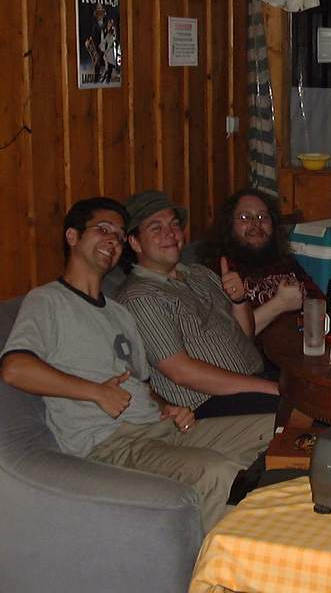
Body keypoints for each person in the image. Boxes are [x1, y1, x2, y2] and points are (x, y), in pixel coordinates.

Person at [0, 197, 274, 532]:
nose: (112, 240)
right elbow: (14, 368)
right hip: (111, 443)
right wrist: (95, 392)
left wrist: (167, 407)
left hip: (163, 429)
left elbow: (142, 383)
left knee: (280, 429)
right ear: (72, 236)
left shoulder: (118, 312)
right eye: (103, 230)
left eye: (117, 234)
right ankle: (226, 562)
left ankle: (289, 532)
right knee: (220, 473)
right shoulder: (47, 300)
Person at [116, 190, 281, 420]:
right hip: (208, 403)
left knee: (318, 393)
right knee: (302, 409)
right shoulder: (139, 296)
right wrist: (270, 388)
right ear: (135, 242)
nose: (170, 233)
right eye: (156, 228)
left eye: (174, 224)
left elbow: (245, 336)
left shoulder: (199, 273)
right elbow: (180, 372)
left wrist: (239, 300)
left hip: (255, 380)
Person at [205, 188, 322, 335]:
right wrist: (280, 304)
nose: (256, 224)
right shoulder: (219, 270)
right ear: (229, 225)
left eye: (263, 217)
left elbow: (320, 304)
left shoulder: (285, 261)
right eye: (245, 217)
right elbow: (226, 337)